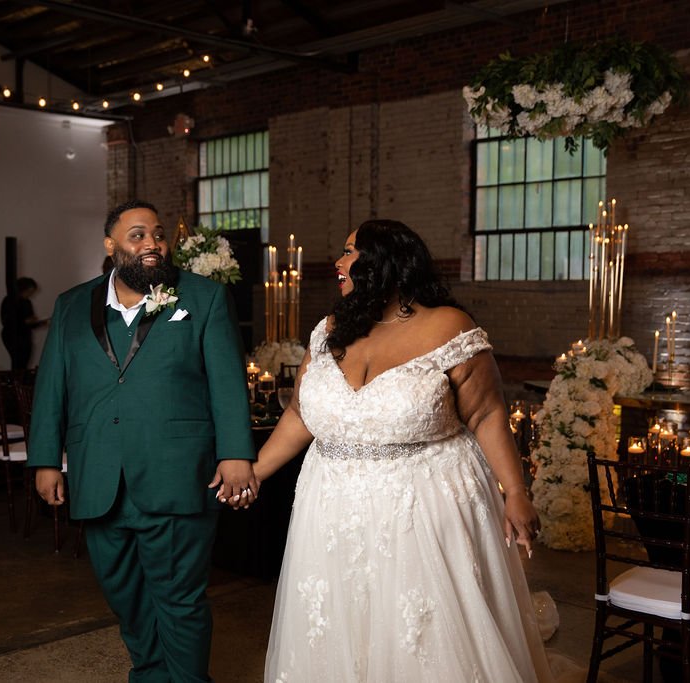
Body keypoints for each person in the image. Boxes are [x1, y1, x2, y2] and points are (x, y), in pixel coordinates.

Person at [224, 219, 555, 681]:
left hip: (422, 505)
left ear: (388, 262)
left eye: (350, 252)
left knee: (420, 633)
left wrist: (515, 492)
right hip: (331, 507)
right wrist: (255, 470)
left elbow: (485, 414)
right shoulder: (331, 329)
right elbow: (301, 414)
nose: (339, 263)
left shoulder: (448, 326)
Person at [29, 199, 258, 682]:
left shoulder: (205, 297)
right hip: (99, 478)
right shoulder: (72, 304)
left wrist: (236, 453)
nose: (151, 243)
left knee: (178, 597)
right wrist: (46, 459)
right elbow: (52, 385)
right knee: (125, 596)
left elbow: (226, 383)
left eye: (157, 234)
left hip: (176, 473)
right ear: (110, 245)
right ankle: (151, 675)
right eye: (137, 235)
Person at [0, 276, 46, 370]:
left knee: (24, 363)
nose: (31, 294)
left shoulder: (27, 302)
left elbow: (31, 323)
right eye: (30, 291)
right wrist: (25, 321)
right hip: (12, 336)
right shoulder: (9, 300)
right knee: (18, 362)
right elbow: (6, 321)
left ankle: (21, 381)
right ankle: (17, 381)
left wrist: (42, 323)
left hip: (25, 336)